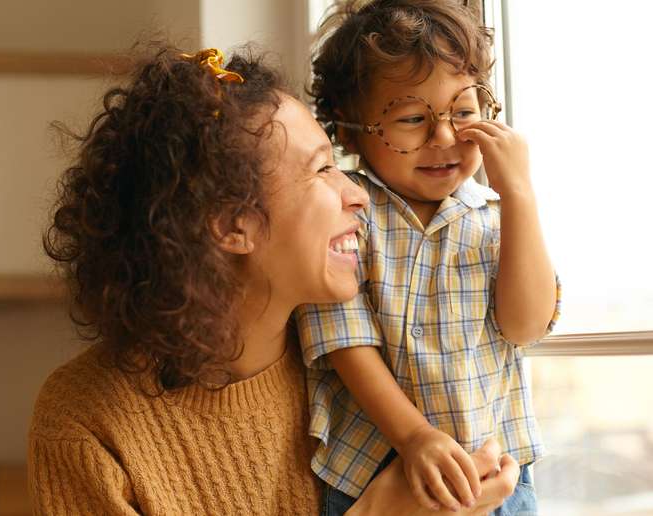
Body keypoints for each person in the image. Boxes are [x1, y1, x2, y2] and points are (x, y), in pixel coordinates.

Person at [28, 44, 520, 515]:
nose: (358, 195)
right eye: (323, 169)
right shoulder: (84, 421)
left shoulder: (373, 372)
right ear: (232, 225)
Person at [293, 1, 561, 515]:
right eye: (413, 119)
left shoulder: (496, 216)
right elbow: (343, 338)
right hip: (374, 470)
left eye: (463, 112)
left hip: (495, 472)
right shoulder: (349, 212)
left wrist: (520, 195)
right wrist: (414, 437)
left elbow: (525, 325)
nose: (444, 138)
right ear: (350, 132)